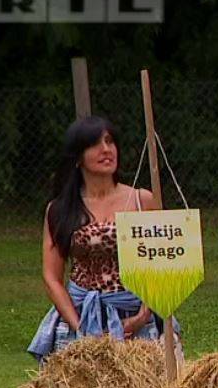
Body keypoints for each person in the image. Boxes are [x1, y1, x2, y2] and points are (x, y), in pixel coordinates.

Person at [28, 116, 165, 362]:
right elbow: (51, 276)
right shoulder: (60, 209)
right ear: (78, 157)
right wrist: (79, 327)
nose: (106, 149)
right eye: (95, 144)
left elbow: (162, 262)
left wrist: (143, 316)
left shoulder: (141, 201)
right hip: (81, 315)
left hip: (135, 311)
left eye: (110, 142)